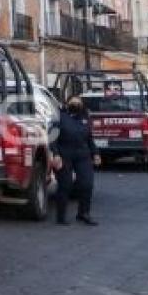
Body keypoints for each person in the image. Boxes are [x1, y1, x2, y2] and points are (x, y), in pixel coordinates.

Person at [50, 95, 101, 226]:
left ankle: (84, 213)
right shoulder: (59, 117)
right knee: (65, 185)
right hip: (64, 155)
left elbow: (90, 140)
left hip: (83, 156)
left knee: (87, 184)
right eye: (73, 101)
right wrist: (55, 155)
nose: (75, 103)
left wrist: (95, 154)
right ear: (67, 104)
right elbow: (52, 138)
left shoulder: (85, 119)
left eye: (78, 102)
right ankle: (61, 216)